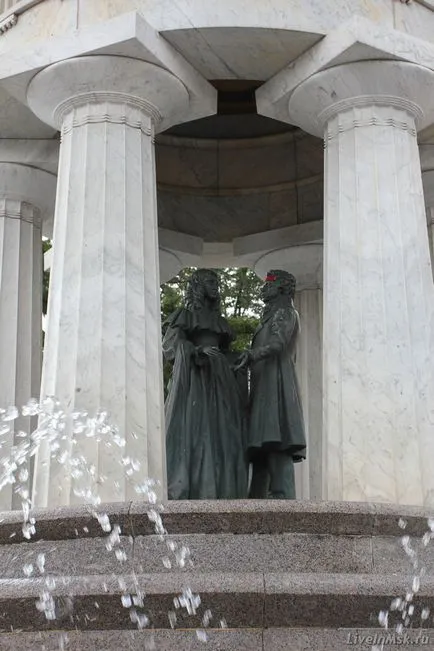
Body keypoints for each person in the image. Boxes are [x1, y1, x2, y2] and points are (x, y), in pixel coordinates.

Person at [163, 269, 248, 499]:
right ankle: (199, 486)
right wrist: (198, 351)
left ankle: (223, 486)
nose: (215, 286)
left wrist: (239, 358)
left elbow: (227, 351)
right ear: (198, 285)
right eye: (210, 281)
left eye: (217, 282)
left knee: (223, 433)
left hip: (221, 382)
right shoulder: (186, 315)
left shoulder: (220, 321)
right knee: (198, 432)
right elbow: (171, 346)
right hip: (196, 382)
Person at [234, 269, 306, 499]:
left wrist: (252, 355)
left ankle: (282, 496)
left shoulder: (285, 312)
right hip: (264, 383)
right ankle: (257, 498)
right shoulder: (271, 314)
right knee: (263, 443)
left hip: (277, 382)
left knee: (276, 438)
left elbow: (277, 344)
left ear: (283, 287)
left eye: (270, 283)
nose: (264, 288)